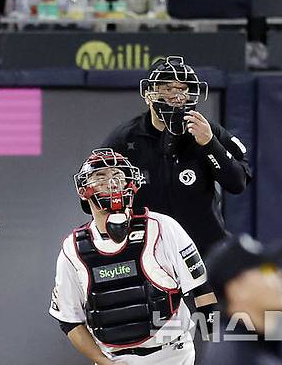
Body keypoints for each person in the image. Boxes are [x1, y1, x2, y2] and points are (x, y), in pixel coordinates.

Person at [49, 148, 218, 365]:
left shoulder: (163, 228)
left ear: (131, 182)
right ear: (84, 190)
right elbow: (69, 321)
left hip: (173, 355)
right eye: (101, 177)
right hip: (115, 360)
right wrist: (103, 362)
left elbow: (202, 291)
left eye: (117, 176)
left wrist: (217, 348)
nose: (112, 183)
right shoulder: (73, 249)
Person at [101, 56, 252, 256]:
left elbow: (238, 182)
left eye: (182, 89)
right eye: (168, 88)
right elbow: (92, 192)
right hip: (150, 255)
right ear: (148, 94)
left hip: (204, 251)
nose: (177, 96)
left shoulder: (207, 130)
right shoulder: (125, 138)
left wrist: (209, 144)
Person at [201, 234, 282, 365]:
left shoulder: (240, 347)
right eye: (267, 270)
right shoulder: (237, 357)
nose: (281, 275)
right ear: (238, 289)